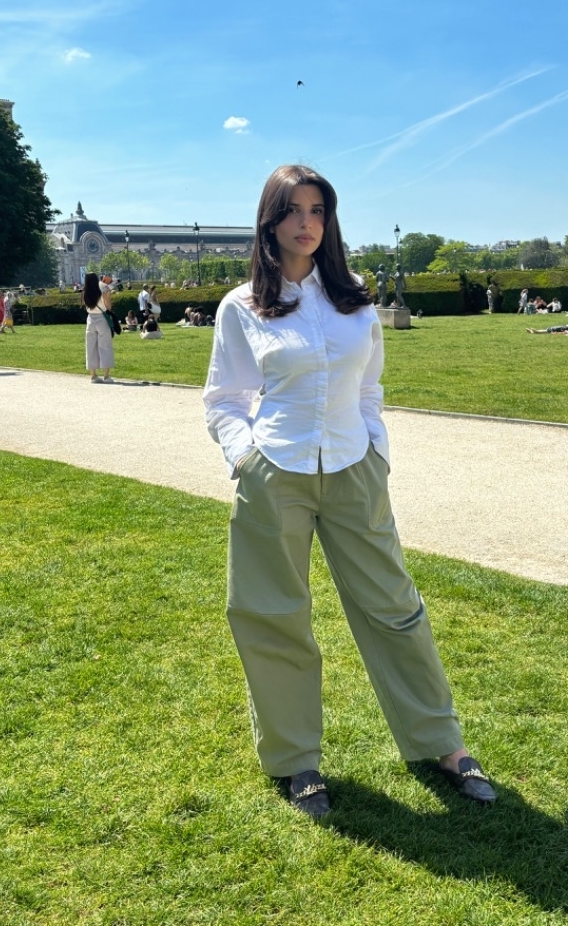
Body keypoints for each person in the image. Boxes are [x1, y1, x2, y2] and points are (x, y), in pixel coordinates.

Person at [203, 164, 496, 819]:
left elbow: (369, 387)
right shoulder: (241, 305)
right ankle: (296, 760)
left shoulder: (355, 298)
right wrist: (244, 457)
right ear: (270, 222)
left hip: (353, 467)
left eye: (318, 211)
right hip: (274, 470)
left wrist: (376, 450)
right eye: (292, 210)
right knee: (272, 614)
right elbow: (223, 398)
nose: (306, 223)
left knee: (395, 605)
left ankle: (442, 744)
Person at [81, 272, 115, 383]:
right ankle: (106, 376)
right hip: (101, 318)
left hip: (90, 319)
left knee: (91, 347)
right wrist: (108, 295)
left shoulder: (85, 292)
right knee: (105, 346)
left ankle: (93, 375)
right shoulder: (102, 288)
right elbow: (108, 306)